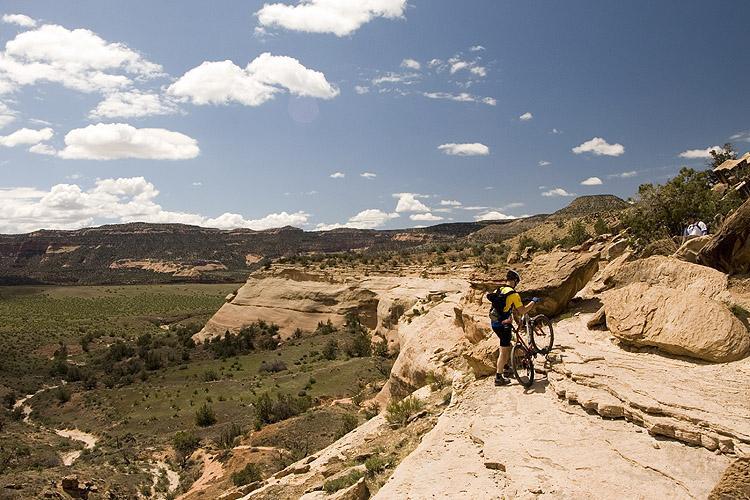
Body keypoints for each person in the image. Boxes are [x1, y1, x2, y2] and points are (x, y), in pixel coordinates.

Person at [486, 270, 541, 386]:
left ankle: (507, 368)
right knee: (503, 351)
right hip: (504, 325)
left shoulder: (499, 290)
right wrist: (533, 302)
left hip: (495, 323)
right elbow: (522, 311)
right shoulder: (513, 294)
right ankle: (498, 377)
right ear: (515, 281)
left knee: (506, 344)